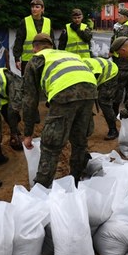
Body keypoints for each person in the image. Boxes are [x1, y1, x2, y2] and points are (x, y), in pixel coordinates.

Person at [21, 33, 97, 187]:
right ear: (51, 46)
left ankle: (40, 189)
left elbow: (29, 100)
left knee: (51, 144)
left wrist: (28, 133)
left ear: (34, 48)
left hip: (65, 92)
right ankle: (75, 182)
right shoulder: (67, 55)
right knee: (79, 140)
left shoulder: (36, 59)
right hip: (90, 89)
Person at [13, 0, 54, 75]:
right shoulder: (25, 21)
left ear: (42, 9)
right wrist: (17, 59)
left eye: (37, 7)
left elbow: (52, 42)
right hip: (28, 60)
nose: (34, 9)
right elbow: (19, 41)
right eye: (32, 7)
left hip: (45, 59)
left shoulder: (48, 22)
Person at [82, 57, 119, 140]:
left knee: (103, 101)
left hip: (110, 72)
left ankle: (113, 130)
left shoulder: (86, 68)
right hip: (100, 71)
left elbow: (92, 82)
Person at [110, 8, 128, 117]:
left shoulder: (125, 28)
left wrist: (113, 52)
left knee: (119, 87)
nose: (118, 17)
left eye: (119, 16)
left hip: (123, 62)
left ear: (125, 17)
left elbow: (122, 45)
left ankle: (114, 112)